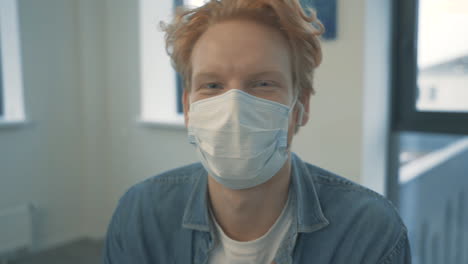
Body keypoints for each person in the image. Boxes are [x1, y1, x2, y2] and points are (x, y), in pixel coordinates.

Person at [103, 0, 411, 263]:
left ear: (300, 106)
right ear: (188, 108)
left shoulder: (368, 231)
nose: (234, 108)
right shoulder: (141, 215)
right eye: (212, 86)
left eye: (263, 84)